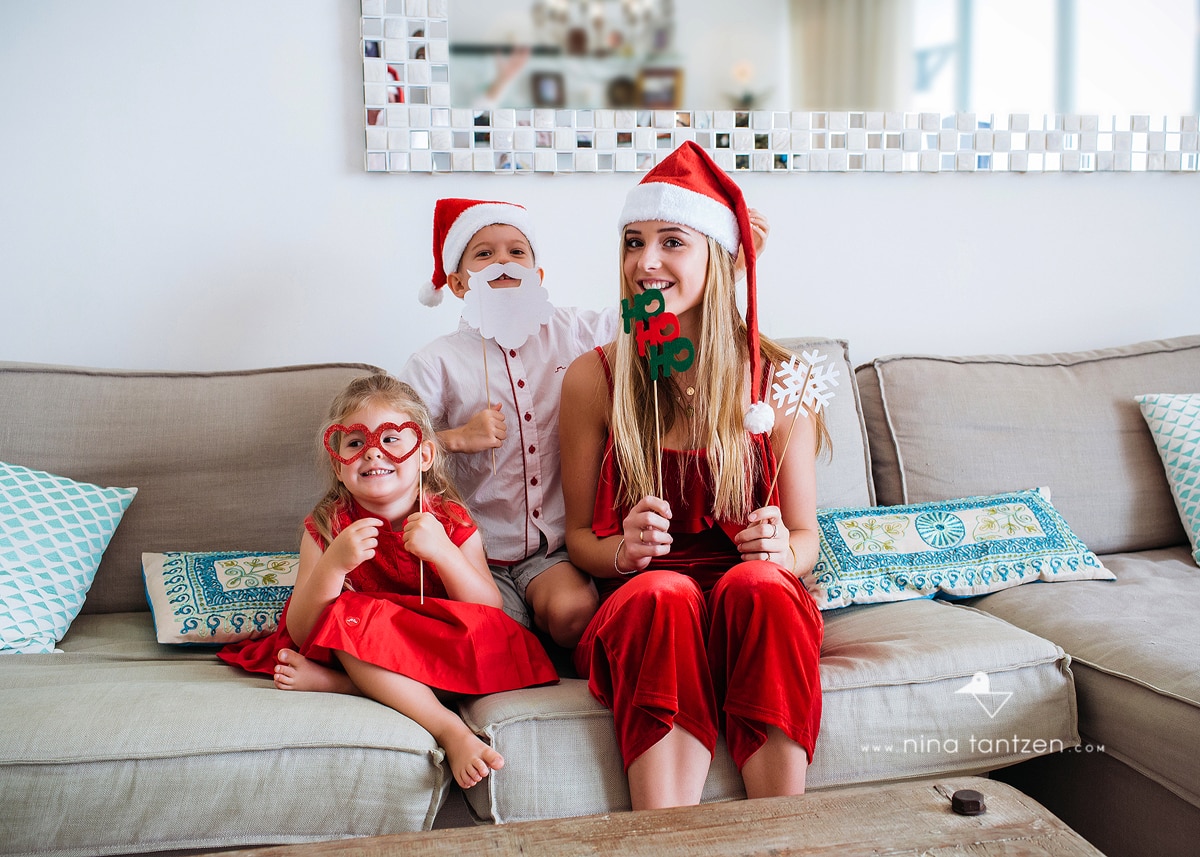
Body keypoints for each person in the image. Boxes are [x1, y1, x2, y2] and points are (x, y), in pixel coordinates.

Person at [558, 141, 827, 811]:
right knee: (665, 593)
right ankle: (665, 835)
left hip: (750, 603)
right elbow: (576, 541)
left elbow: (804, 538)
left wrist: (782, 550)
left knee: (762, 584)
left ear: (718, 255)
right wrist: (622, 550)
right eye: (632, 241)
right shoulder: (596, 377)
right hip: (649, 608)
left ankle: (780, 831)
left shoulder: (780, 378)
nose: (644, 262)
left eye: (671, 240)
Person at [218, 374, 558, 790]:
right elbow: (303, 630)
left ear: (426, 455)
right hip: (355, 645)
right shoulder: (327, 526)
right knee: (349, 616)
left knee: (485, 638)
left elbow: (488, 610)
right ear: (337, 464)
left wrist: (444, 553)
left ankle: (348, 686)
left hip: (434, 646)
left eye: (393, 438)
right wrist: (334, 566)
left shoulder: (449, 518)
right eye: (355, 443)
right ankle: (449, 729)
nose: (373, 451)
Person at [399, 198, 618, 649]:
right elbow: (393, 447)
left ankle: (540, 633)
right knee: (484, 641)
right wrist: (456, 438)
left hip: (553, 551)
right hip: (474, 551)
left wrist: (725, 270)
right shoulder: (435, 361)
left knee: (573, 614)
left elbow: (647, 321)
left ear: (538, 276)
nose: (504, 261)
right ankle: (513, 640)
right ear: (459, 284)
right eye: (484, 253)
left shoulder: (573, 332)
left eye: (517, 252)